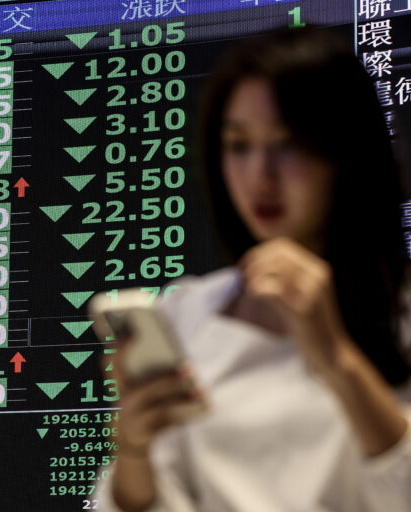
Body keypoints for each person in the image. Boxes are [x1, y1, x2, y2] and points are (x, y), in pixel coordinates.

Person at [92, 27, 411, 512]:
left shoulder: (401, 310)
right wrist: (134, 449)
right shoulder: (188, 309)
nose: (260, 176)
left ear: (345, 150)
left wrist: (338, 361)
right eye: (239, 145)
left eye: (288, 143)